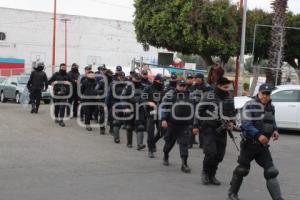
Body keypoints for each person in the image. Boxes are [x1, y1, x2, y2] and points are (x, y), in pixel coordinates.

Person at [227, 84, 285, 200]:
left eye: (268, 94)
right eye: (263, 93)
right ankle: (232, 193)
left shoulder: (270, 107)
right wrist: (258, 135)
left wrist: (275, 130)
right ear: (258, 93)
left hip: (262, 146)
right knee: (242, 169)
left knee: (271, 171)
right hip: (249, 144)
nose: (265, 96)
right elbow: (246, 124)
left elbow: (272, 121)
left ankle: (278, 198)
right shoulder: (250, 105)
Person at [194, 77, 235, 185]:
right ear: (218, 86)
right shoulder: (208, 95)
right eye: (225, 87)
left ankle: (212, 175)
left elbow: (232, 112)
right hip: (209, 129)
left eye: (228, 87)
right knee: (210, 153)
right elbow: (198, 111)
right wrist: (196, 126)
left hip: (222, 130)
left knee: (219, 155)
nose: (227, 89)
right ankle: (205, 173)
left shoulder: (229, 96)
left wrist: (231, 122)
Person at [161, 80, 193, 173]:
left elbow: (194, 108)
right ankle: (166, 155)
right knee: (169, 142)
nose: (183, 87)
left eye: (184, 85)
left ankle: (184, 164)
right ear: (177, 86)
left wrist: (194, 123)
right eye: (181, 85)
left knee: (184, 143)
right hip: (172, 123)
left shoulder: (189, 95)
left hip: (184, 124)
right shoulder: (170, 95)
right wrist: (163, 119)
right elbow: (165, 107)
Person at [143, 74, 166, 158]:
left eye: (163, 81)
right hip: (151, 112)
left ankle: (153, 143)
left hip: (160, 113)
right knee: (150, 132)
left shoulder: (164, 89)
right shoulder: (148, 88)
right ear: (156, 80)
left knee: (162, 131)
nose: (162, 82)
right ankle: (150, 150)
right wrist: (148, 102)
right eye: (161, 81)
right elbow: (142, 99)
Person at [122, 73, 146, 150]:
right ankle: (129, 142)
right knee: (129, 127)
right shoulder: (128, 87)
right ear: (133, 79)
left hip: (140, 109)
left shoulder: (144, 87)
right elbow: (123, 98)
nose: (137, 81)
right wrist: (125, 107)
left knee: (141, 127)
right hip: (130, 108)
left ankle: (140, 144)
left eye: (139, 79)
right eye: (136, 79)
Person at [189, 73, 212, 149]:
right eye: (196, 78)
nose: (197, 79)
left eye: (198, 78)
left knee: (202, 126)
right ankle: (190, 142)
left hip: (203, 108)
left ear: (202, 78)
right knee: (192, 125)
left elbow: (210, 96)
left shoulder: (207, 86)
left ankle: (202, 144)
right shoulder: (193, 86)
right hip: (193, 107)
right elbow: (190, 96)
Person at [106, 71, 127, 142]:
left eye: (123, 77)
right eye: (121, 77)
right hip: (114, 103)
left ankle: (113, 129)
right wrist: (106, 104)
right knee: (115, 120)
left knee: (120, 120)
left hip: (122, 104)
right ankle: (115, 135)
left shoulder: (125, 84)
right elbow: (109, 94)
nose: (122, 78)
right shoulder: (113, 84)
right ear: (118, 77)